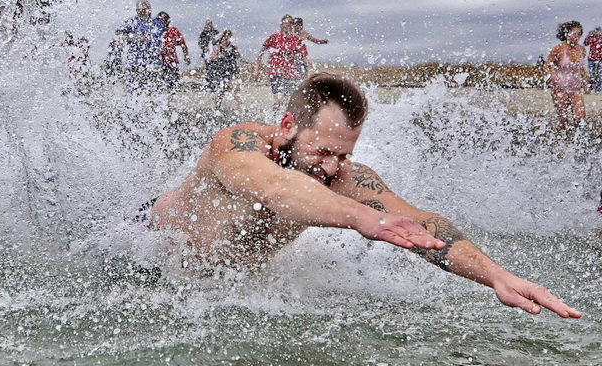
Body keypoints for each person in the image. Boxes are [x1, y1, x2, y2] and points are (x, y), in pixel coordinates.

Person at [149, 73, 582, 319]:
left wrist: (495, 275)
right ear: (286, 126)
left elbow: (422, 223)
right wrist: (358, 217)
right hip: (151, 260)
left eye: (344, 154)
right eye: (322, 151)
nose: (333, 167)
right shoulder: (237, 144)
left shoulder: (344, 179)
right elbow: (276, 189)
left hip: (225, 286)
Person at [254, 15, 310, 108]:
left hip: (291, 74)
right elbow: (261, 53)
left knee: (289, 101)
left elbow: (304, 57)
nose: (286, 26)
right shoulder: (274, 37)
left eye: (289, 24)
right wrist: (256, 69)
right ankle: (275, 117)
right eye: (284, 23)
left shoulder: (297, 40)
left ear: (292, 26)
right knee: (280, 99)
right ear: (281, 25)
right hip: (276, 72)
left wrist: (315, 68)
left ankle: (277, 117)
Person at [544, 21, 588, 138]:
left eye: (578, 34)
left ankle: (576, 141)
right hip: (560, 87)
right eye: (573, 34)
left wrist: (585, 82)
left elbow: (582, 68)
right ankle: (562, 141)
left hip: (575, 87)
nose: (576, 37)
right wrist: (552, 75)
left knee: (580, 116)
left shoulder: (582, 50)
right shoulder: (558, 49)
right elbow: (547, 65)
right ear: (566, 34)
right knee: (564, 118)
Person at [115, 0, 166, 92]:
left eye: (146, 9)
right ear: (137, 11)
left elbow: (164, 38)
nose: (144, 11)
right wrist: (135, 37)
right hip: (135, 62)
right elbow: (119, 33)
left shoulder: (157, 23)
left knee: (154, 90)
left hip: (154, 63)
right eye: (141, 9)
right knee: (135, 90)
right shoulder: (132, 22)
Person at [205, 29, 250, 114]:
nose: (226, 39)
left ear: (230, 38)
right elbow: (213, 56)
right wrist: (211, 58)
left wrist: (249, 63)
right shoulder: (219, 47)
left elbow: (240, 58)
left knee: (236, 90)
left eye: (228, 38)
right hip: (223, 72)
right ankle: (217, 107)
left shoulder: (234, 48)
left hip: (233, 71)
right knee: (221, 91)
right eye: (224, 38)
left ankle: (241, 108)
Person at [156, 11, 191, 91]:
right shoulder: (155, 31)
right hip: (158, 62)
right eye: (159, 20)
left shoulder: (173, 31)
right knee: (158, 85)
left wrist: (186, 56)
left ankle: (171, 99)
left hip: (172, 62)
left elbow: (183, 44)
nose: (161, 22)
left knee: (173, 84)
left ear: (167, 21)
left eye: (163, 20)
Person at [583, 26, 602, 94]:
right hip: (591, 59)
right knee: (591, 75)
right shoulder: (592, 38)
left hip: (600, 59)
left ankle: (597, 90)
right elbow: (585, 43)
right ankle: (589, 88)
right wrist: (588, 35)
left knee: (599, 75)